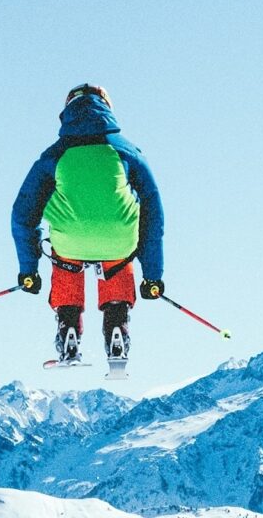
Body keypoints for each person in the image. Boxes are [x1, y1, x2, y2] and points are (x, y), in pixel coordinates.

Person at [11, 84, 165, 362]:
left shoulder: (53, 155)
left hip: (70, 242)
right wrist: (152, 274)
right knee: (118, 246)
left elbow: (23, 215)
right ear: (108, 108)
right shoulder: (128, 152)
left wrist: (28, 270)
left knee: (64, 246)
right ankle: (117, 324)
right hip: (119, 241)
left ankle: (68, 327)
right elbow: (153, 213)